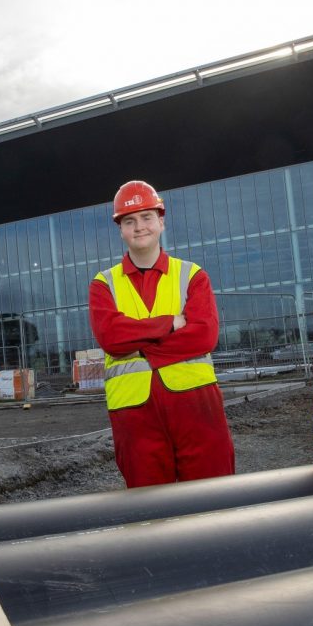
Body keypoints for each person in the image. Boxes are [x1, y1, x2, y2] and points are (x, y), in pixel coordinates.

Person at [89, 180, 234, 487]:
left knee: (214, 501)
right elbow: (111, 338)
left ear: (161, 222)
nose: (139, 227)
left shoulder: (192, 275)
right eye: (130, 220)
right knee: (150, 516)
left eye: (146, 217)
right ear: (120, 229)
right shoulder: (103, 284)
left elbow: (203, 336)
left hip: (197, 407)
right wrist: (168, 324)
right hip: (135, 415)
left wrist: (141, 349)